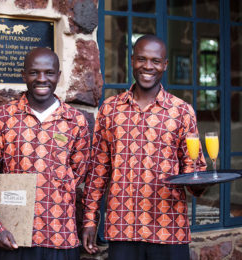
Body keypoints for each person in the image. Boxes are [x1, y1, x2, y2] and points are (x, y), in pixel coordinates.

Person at [82, 35, 207, 260]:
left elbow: (193, 167)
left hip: (169, 230)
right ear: (132, 60)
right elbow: (97, 171)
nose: (148, 66)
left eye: (155, 61)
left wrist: (200, 183)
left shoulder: (182, 111)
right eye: (141, 59)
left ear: (165, 65)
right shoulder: (110, 109)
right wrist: (90, 219)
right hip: (123, 229)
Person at [0, 47, 91, 260]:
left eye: (49, 73)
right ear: (23, 75)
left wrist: (50, 190)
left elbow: (78, 174)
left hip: (60, 235)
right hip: (13, 236)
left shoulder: (76, 121)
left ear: (58, 76)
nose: (42, 79)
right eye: (34, 72)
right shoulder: (1, 118)